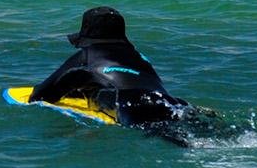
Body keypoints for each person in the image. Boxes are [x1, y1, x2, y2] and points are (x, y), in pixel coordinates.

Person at [26, 7, 192, 131]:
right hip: (172, 102)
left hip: (133, 105)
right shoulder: (139, 57)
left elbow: (42, 94)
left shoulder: (86, 56)